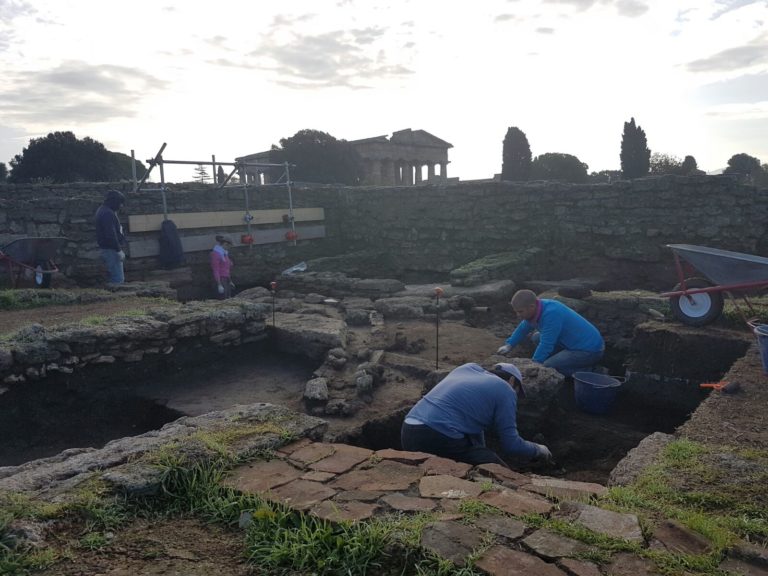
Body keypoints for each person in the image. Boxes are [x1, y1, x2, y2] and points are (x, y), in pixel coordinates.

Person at [400, 362, 551, 467]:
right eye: (517, 391)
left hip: (409, 429)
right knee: (498, 473)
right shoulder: (506, 389)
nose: (516, 396)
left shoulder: (466, 369)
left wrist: (481, 452)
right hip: (439, 435)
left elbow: (475, 433)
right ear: (512, 381)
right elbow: (511, 445)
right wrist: (538, 450)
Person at [498, 289, 604, 377]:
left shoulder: (551, 314)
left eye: (520, 311)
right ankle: (562, 360)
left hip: (589, 350)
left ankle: (594, 371)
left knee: (548, 366)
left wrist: (535, 363)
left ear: (531, 307)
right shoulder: (538, 307)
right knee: (536, 337)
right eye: (516, 311)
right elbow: (523, 328)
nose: (518, 315)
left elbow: (546, 344)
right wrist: (509, 345)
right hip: (572, 342)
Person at [95, 189, 127, 284]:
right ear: (114, 202)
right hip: (111, 250)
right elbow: (110, 235)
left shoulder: (104, 210)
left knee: (114, 277)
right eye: (120, 203)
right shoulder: (107, 213)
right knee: (118, 279)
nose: (121, 206)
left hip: (108, 249)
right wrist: (119, 250)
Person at [210, 234, 235, 298]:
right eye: (229, 246)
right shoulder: (216, 254)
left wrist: (230, 281)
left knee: (228, 296)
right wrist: (219, 285)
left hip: (226, 278)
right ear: (225, 244)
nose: (230, 248)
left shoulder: (224, 253)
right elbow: (216, 270)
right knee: (223, 298)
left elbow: (226, 268)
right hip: (220, 279)